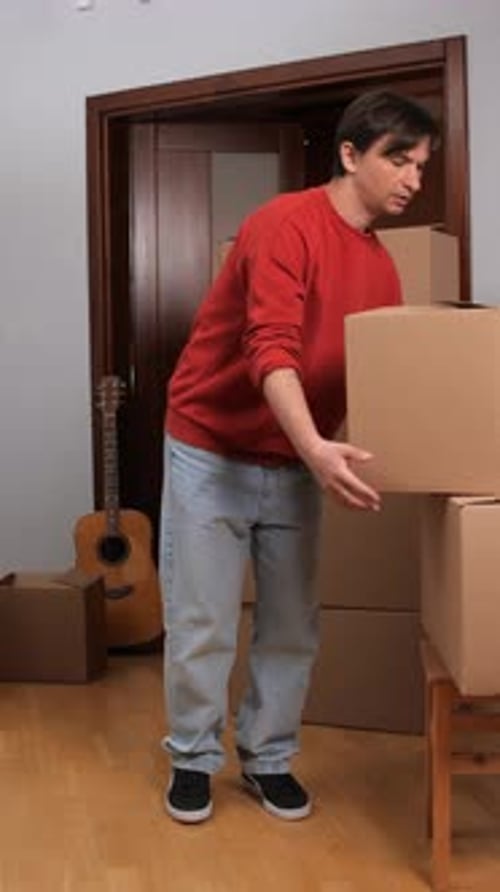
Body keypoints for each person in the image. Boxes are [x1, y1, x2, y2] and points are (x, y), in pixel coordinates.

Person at [159, 89, 439, 824]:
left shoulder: (382, 271)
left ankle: (268, 758)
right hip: (210, 445)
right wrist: (315, 447)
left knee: (290, 624)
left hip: (294, 457)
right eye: (399, 159)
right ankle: (192, 756)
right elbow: (270, 347)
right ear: (350, 154)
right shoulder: (283, 224)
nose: (413, 178)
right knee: (204, 619)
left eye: (421, 165)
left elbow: (376, 379)